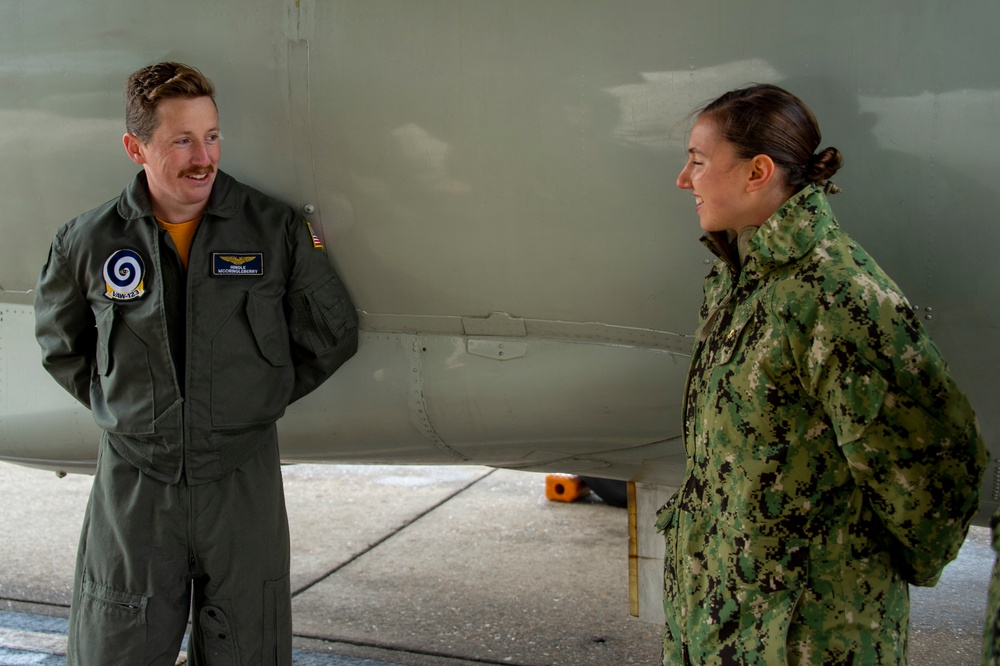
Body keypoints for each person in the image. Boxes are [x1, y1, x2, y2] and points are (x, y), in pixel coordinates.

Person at [34, 62, 358, 665]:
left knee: (247, 646)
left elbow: (331, 336)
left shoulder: (276, 229)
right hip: (135, 483)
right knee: (116, 642)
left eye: (211, 136)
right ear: (137, 147)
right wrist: (133, 410)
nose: (203, 157)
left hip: (240, 477)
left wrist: (253, 400)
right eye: (181, 140)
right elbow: (62, 345)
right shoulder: (86, 242)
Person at [657, 83, 986, 664]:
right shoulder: (742, 277)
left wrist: (852, 579)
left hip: (812, 639)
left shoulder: (835, 294)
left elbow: (936, 470)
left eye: (699, 162)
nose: (684, 180)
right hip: (726, 629)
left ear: (757, 171)